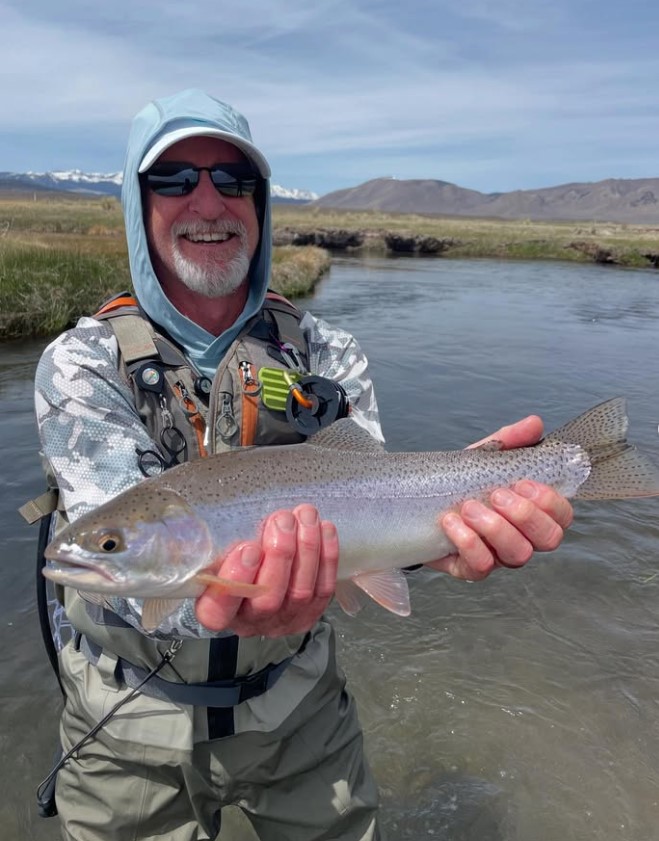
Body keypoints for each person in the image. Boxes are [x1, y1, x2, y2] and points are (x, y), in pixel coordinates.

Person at [33, 89, 573, 841]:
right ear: (136, 202)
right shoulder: (80, 364)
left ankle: (589, 460)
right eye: (173, 179)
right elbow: (129, 584)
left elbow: (373, 511)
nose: (207, 200)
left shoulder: (327, 352)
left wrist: (446, 530)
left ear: (259, 202)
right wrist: (233, 591)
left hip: (299, 715)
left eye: (232, 180)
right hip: (126, 730)